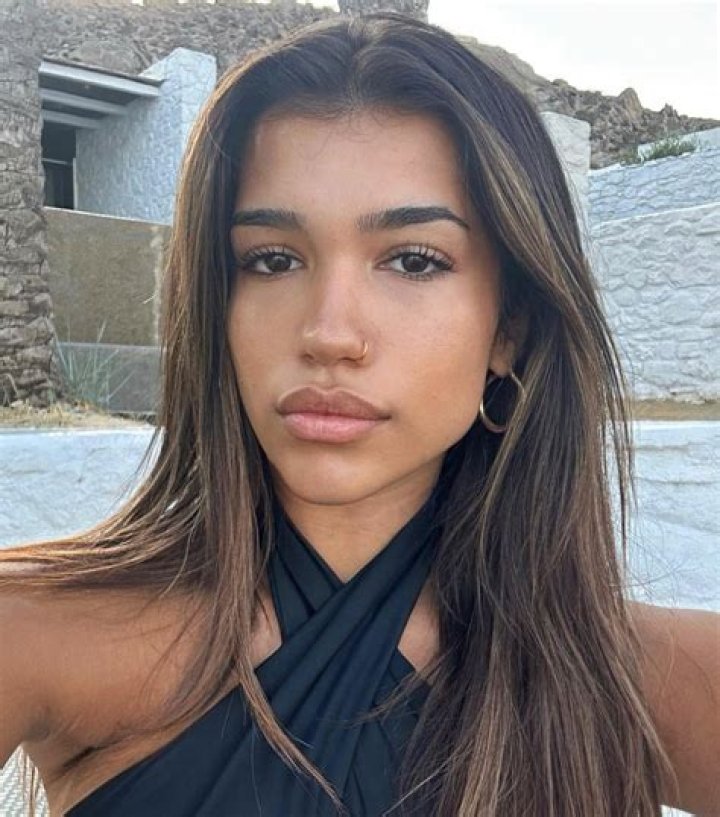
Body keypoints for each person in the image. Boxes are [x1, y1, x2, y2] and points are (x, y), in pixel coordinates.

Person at [1, 12, 718, 817]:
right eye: (273, 259)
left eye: (413, 260)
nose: (329, 334)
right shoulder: (34, 631)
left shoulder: (628, 679)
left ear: (509, 329)